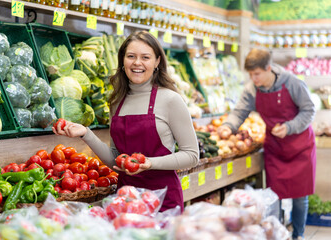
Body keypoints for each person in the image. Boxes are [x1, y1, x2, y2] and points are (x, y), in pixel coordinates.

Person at [53, 31, 199, 212]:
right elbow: (116, 159)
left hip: (163, 200)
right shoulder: (117, 102)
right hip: (125, 200)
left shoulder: (170, 99)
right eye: (131, 56)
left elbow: (192, 155)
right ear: (122, 61)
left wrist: (150, 163)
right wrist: (85, 133)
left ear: (157, 62)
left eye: (145, 57)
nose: (137, 63)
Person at [218, 48, 316, 240]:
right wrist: (228, 126)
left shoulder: (292, 83)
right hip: (276, 149)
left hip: (300, 146)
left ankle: (299, 235)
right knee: (274, 195)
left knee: (300, 196)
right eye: (251, 74)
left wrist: (289, 127)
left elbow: (309, 110)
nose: (254, 79)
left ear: (269, 68)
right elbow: (240, 111)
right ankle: (276, 234)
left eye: (257, 74)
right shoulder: (252, 89)